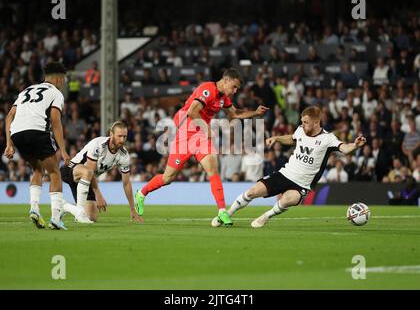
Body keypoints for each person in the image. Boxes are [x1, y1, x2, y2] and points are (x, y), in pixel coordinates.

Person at [135, 68, 268, 226]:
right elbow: (192, 112)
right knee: (167, 178)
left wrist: (255, 113)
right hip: (186, 132)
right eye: (234, 86)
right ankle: (141, 193)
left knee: (212, 169)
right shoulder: (207, 89)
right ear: (225, 80)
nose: (235, 91)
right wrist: (207, 129)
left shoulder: (223, 97)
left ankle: (222, 211)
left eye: (237, 88)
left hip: (200, 135)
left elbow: (235, 114)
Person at [213, 106, 367, 228]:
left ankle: (265, 216)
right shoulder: (300, 130)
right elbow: (292, 138)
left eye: (306, 122)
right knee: (253, 191)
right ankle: (227, 213)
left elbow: (345, 148)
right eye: (302, 121)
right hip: (285, 173)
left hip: (302, 184)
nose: (302, 124)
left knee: (288, 199)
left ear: (316, 122)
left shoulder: (328, 139)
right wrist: (277, 138)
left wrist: (355, 145)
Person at [3, 62, 71, 230]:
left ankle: (34, 208)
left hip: (17, 133)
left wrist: (9, 143)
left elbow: (8, 117)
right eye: (63, 80)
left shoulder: (26, 90)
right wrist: (63, 150)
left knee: (38, 170)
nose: (63, 83)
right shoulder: (55, 93)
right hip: (37, 130)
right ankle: (55, 218)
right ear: (57, 78)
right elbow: (55, 121)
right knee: (55, 172)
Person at [60, 121, 143, 223]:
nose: (122, 140)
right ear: (111, 134)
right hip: (70, 170)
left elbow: (126, 183)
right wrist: (98, 195)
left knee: (91, 218)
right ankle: (79, 212)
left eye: (124, 137)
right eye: (119, 136)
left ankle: (65, 207)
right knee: (88, 172)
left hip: (87, 181)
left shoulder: (123, 155)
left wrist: (132, 209)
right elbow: (90, 170)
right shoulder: (98, 145)